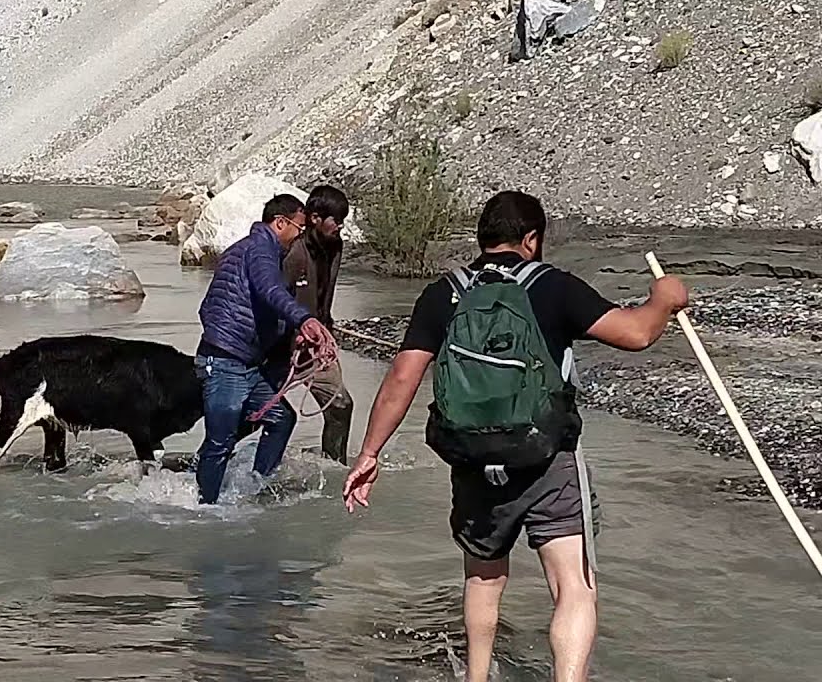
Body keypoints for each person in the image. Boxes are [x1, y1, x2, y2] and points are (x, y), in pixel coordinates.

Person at [341, 191, 689, 682]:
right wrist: (665, 299)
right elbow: (635, 333)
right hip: (548, 458)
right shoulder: (552, 286)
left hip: (472, 460)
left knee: (483, 579)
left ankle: (476, 676)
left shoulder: (444, 293)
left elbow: (403, 377)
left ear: (481, 238)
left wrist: (369, 453)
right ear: (531, 239)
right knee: (573, 587)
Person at [193, 194, 338, 504]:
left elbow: (260, 306)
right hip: (225, 360)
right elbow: (269, 290)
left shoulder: (259, 250)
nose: (300, 235)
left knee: (281, 418)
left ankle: (254, 489)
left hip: (245, 362)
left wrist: (294, 335)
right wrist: (305, 319)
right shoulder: (259, 249)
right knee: (220, 441)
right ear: (280, 223)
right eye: (298, 228)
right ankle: (205, 510)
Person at [280, 184, 354, 464]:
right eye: (336, 220)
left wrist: (324, 329)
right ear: (315, 218)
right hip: (284, 345)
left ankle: (335, 469)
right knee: (260, 412)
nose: (340, 226)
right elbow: (274, 297)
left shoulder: (336, 246)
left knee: (341, 406)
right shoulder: (293, 252)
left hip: (318, 345)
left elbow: (324, 292)